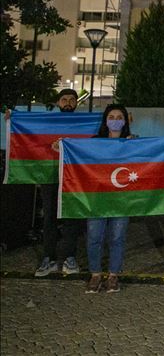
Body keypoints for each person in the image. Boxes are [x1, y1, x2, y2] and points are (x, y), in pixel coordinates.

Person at [31, 89, 83, 278]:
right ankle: (48, 258)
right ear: (58, 103)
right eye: (64, 100)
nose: (68, 103)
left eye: (71, 100)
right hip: (50, 176)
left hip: (73, 177)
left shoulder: (83, 124)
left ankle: (70, 257)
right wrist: (13, 118)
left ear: (76, 103)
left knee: (71, 217)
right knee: (49, 218)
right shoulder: (47, 123)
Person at [85, 104, 133, 294]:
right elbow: (77, 154)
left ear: (125, 120)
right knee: (94, 237)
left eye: (119, 116)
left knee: (117, 238)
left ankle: (113, 275)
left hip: (122, 199)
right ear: (105, 120)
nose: (115, 120)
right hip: (97, 199)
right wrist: (61, 146)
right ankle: (95, 274)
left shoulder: (131, 142)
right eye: (111, 117)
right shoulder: (95, 142)